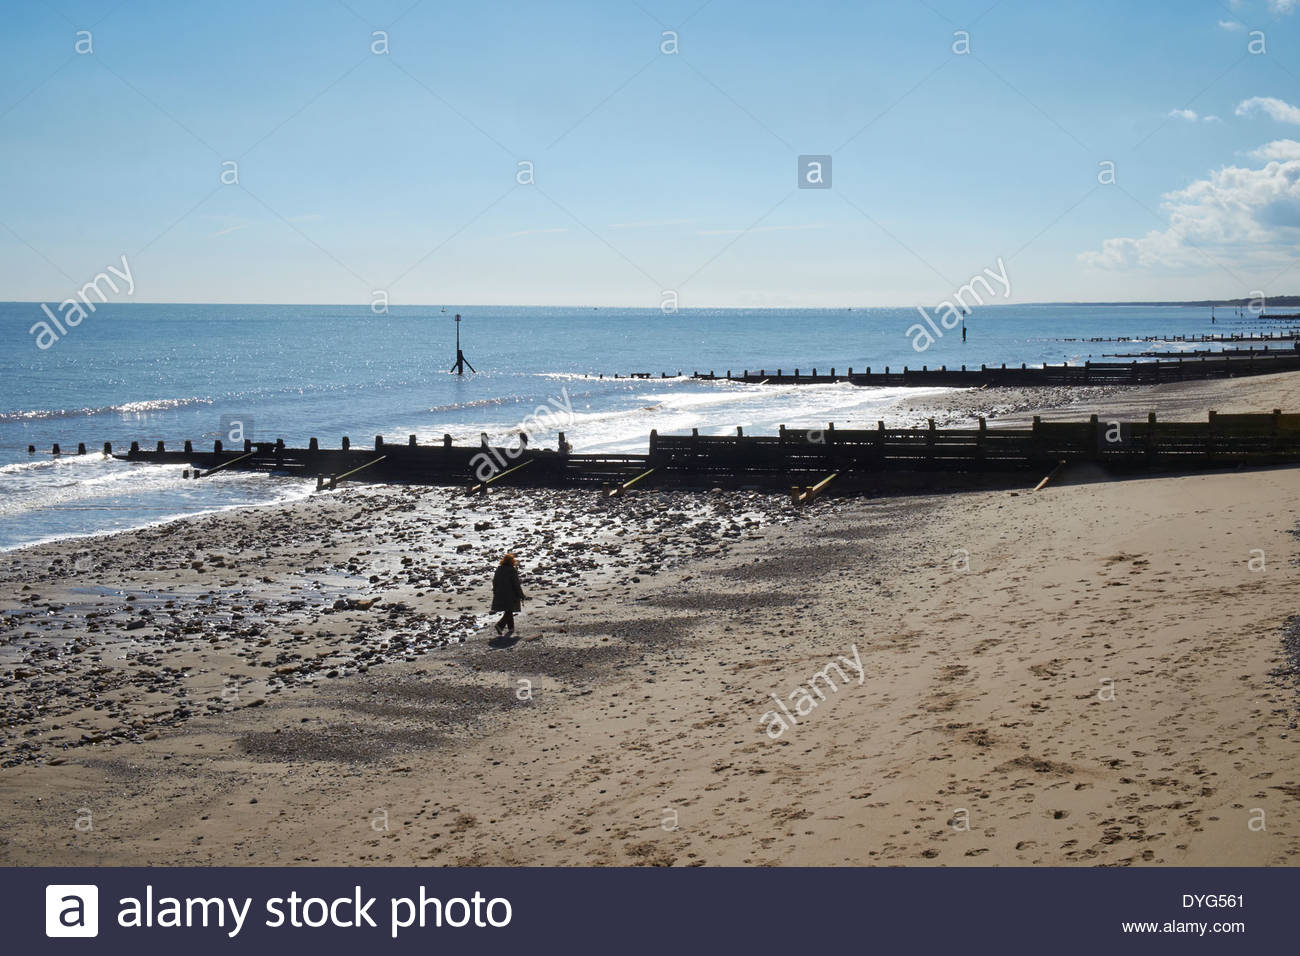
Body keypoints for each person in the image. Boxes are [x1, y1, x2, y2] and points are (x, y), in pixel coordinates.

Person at [492, 553, 525, 635]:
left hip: (500, 593)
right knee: (509, 610)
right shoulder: (512, 570)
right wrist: (521, 595)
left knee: (508, 610)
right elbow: (516, 584)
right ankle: (500, 625)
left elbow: (494, 581)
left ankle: (511, 628)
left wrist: (495, 591)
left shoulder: (499, 569)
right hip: (510, 594)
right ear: (512, 561)